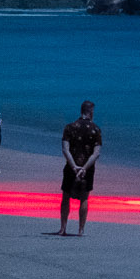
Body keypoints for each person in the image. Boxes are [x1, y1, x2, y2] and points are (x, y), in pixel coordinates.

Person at [55, 101, 101, 236]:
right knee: (84, 198)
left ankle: (63, 227)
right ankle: (80, 230)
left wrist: (74, 166)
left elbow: (65, 149)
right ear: (91, 112)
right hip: (88, 168)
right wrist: (84, 168)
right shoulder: (95, 129)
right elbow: (96, 153)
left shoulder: (70, 127)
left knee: (66, 197)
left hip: (71, 166)